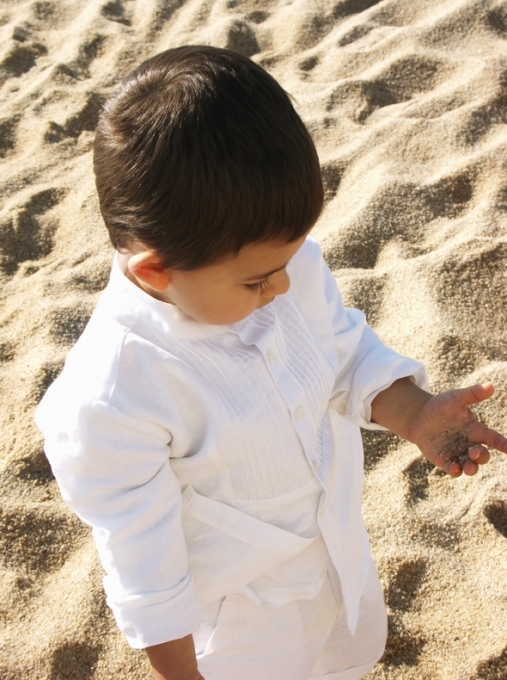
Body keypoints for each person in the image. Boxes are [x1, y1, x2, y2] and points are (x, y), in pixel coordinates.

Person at [35, 46, 507, 680]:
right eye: (258, 281)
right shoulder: (111, 397)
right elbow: (144, 567)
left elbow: (341, 352)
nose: (282, 289)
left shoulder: (279, 267)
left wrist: (414, 412)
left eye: (290, 262)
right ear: (155, 271)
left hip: (337, 570)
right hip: (243, 634)